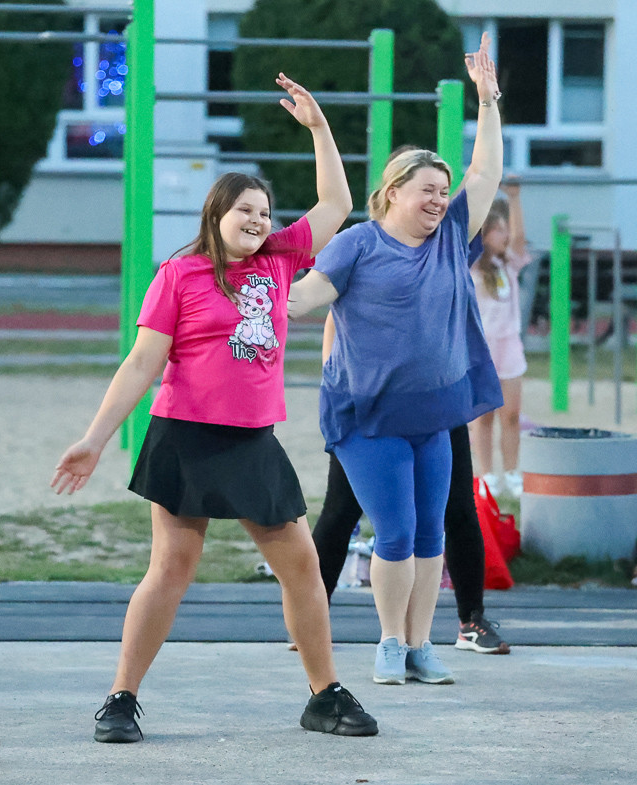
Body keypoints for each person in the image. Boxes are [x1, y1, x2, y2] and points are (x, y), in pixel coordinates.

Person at [51, 74, 377, 742]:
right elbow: (141, 362)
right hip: (185, 436)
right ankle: (120, 698)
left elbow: (336, 203)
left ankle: (324, 693)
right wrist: (93, 437)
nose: (257, 219)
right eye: (243, 210)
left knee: (303, 566)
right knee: (171, 568)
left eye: (263, 209)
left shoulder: (283, 258)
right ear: (215, 215)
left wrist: (319, 128)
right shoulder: (181, 273)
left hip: (252, 440)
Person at [286, 33, 504, 686]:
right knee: (397, 528)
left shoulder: (450, 243)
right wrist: (265, 290)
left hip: (434, 410)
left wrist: (487, 102)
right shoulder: (359, 244)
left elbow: (486, 173)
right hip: (366, 412)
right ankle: (386, 642)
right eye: (427, 189)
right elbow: (309, 297)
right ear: (392, 193)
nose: (440, 199)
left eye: (444, 189)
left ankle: (420, 645)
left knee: (432, 529)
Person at [314, 311, 510, 654]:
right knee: (341, 511)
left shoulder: (444, 265)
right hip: (370, 404)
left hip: (436, 401)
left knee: (459, 507)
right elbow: (333, 318)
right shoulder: (368, 258)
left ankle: (471, 621)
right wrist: (336, 386)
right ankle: (311, 619)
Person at [468, 179, 531, 498]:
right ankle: (488, 475)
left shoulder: (509, 264)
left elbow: (519, 239)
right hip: (481, 351)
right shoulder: (473, 267)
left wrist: (514, 199)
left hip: (509, 349)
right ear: (485, 234)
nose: (505, 235)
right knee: (484, 417)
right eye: (499, 230)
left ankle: (511, 472)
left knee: (511, 415)